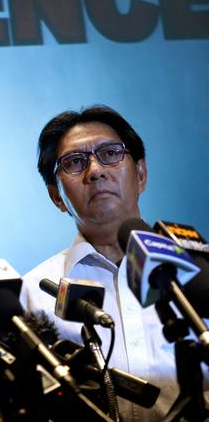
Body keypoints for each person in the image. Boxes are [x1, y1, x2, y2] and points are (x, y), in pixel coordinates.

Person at [20, 104, 205, 421]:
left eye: (110, 153)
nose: (95, 171)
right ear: (57, 197)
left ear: (141, 174)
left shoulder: (199, 272)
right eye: (75, 162)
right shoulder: (34, 294)